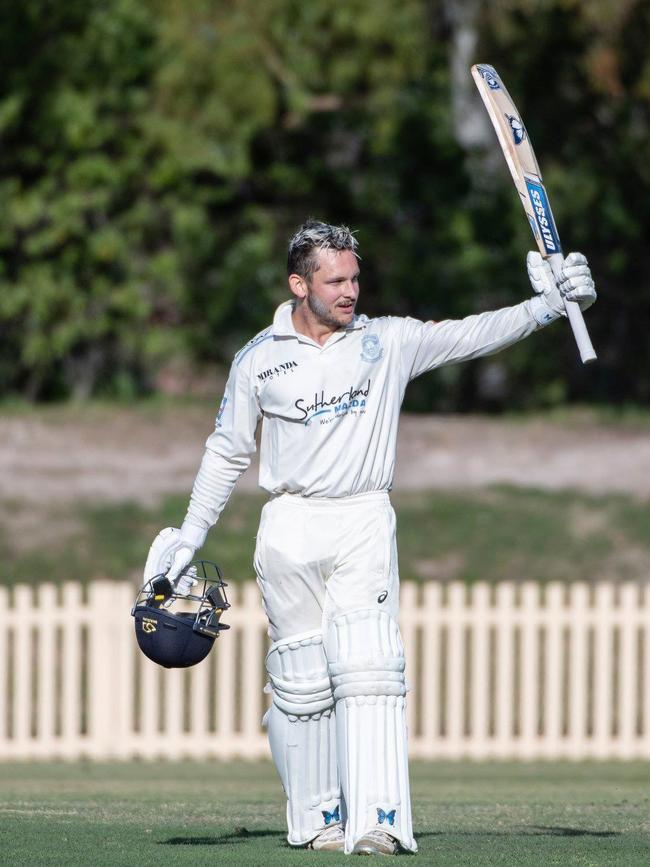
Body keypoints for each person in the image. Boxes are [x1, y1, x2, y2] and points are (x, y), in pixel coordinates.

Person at [144, 219, 596, 855]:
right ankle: (317, 820)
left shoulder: (388, 341)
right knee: (300, 682)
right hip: (290, 523)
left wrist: (548, 305)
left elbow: (472, 335)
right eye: (334, 280)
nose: (350, 290)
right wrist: (191, 532)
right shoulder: (258, 360)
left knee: (371, 667)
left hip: (362, 515)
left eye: (355, 277)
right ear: (299, 284)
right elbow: (226, 451)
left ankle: (380, 819)